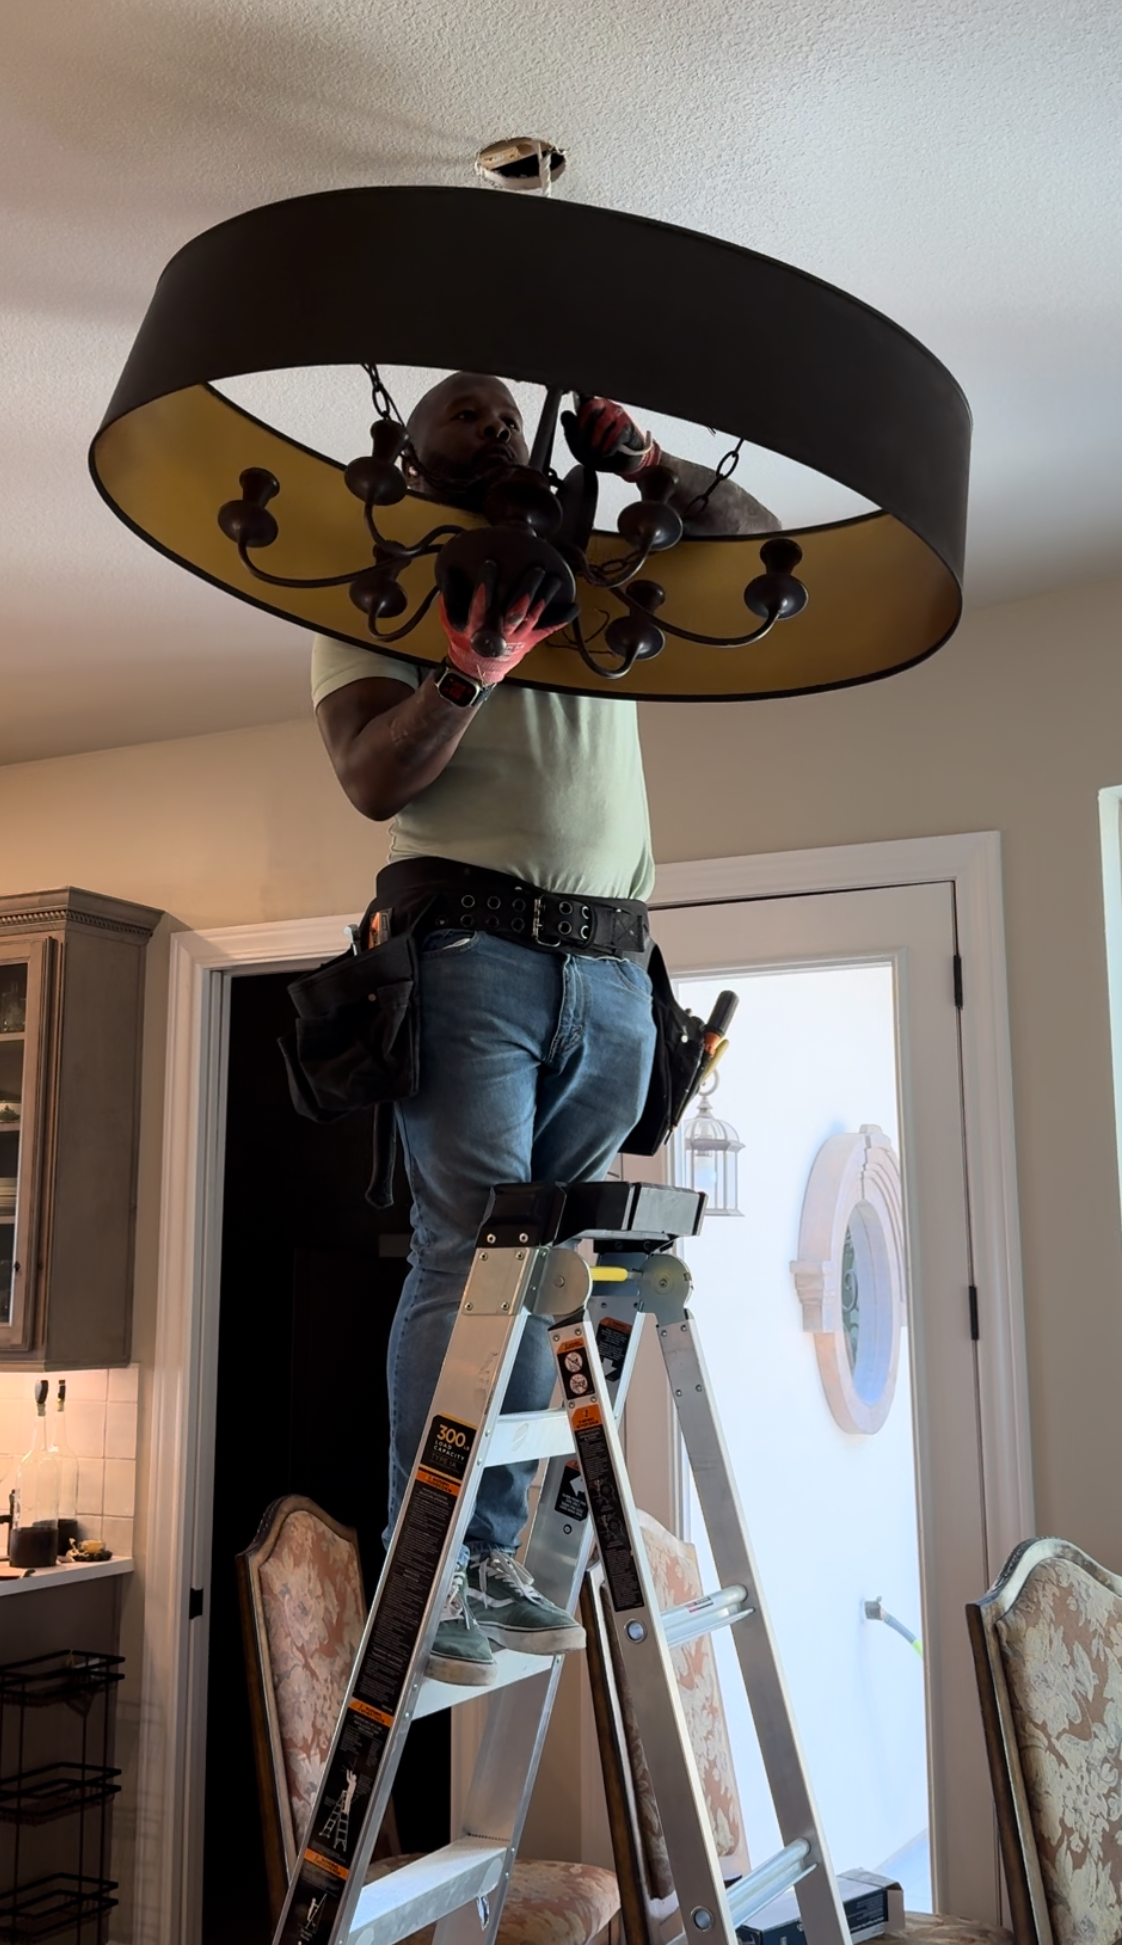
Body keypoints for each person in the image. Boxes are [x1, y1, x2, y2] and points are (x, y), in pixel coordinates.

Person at [312, 373, 775, 1685]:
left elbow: (746, 545)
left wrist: (638, 453)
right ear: (406, 445)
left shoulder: (602, 578)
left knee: (549, 1263)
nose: (499, 421)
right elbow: (370, 775)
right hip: (470, 952)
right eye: (463, 412)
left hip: (617, 966)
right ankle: (441, 1562)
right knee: (467, 1259)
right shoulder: (377, 582)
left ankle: (503, 1553)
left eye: (510, 411)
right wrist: (465, 675)